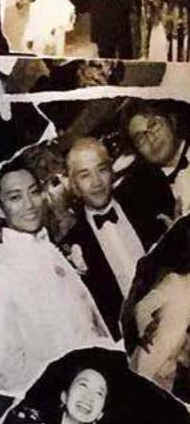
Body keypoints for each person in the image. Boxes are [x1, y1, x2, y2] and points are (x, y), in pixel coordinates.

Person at [0, 164, 110, 395]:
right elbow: (9, 374)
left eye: (34, 192)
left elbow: (90, 324)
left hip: (103, 378)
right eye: (15, 197)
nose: (30, 204)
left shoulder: (50, 249)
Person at [64, 135, 163, 339]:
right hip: (136, 343)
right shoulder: (73, 244)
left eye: (101, 170)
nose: (97, 182)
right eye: (85, 175)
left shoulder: (145, 201)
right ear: (74, 185)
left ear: (112, 171)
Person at [124, 218, 190, 397]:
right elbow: (143, 307)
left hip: (170, 367)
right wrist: (146, 327)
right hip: (151, 354)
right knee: (134, 397)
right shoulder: (175, 281)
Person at [123, 102, 190, 222]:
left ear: (172, 121)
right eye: (140, 138)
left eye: (154, 125)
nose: (150, 139)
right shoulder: (149, 201)